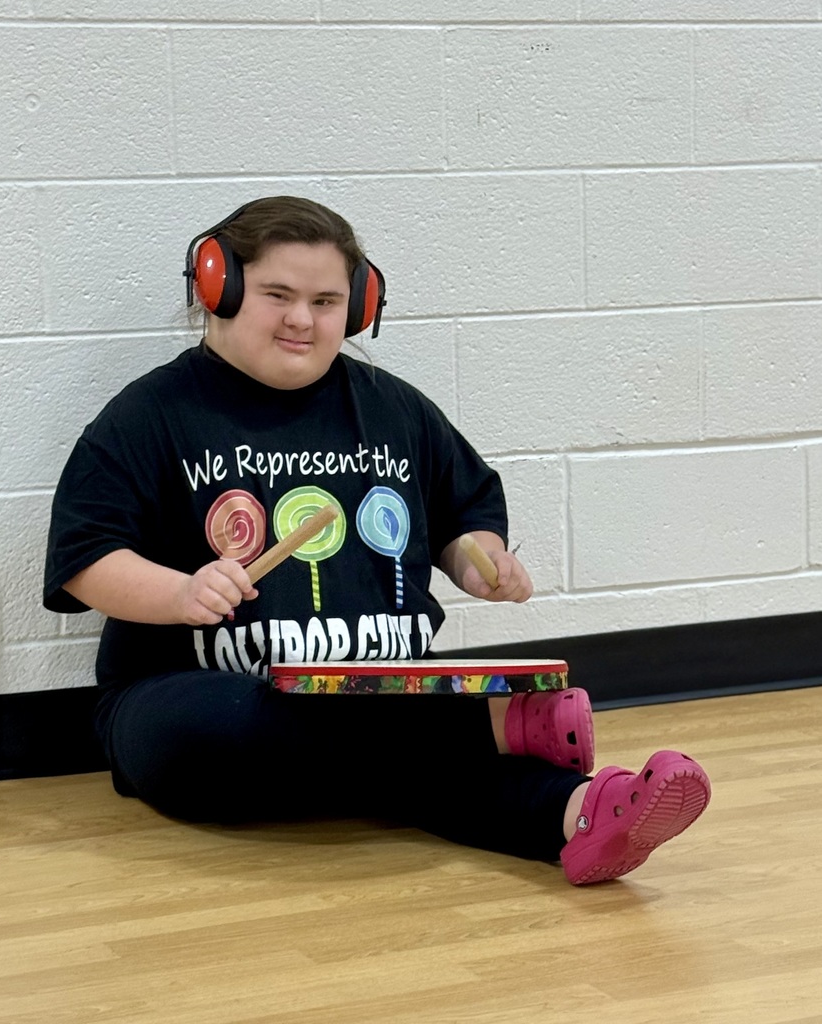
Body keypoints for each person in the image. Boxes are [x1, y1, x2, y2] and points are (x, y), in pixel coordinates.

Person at [44, 196, 710, 885]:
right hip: (203, 694)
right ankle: (493, 727)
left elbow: (462, 520)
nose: (302, 318)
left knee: (387, 752)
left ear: (359, 306)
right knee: (251, 732)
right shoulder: (150, 414)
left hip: (380, 694)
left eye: (326, 300)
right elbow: (85, 558)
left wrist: (480, 562)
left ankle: (581, 816)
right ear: (220, 286)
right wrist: (179, 591)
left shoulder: (392, 406)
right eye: (277, 294)